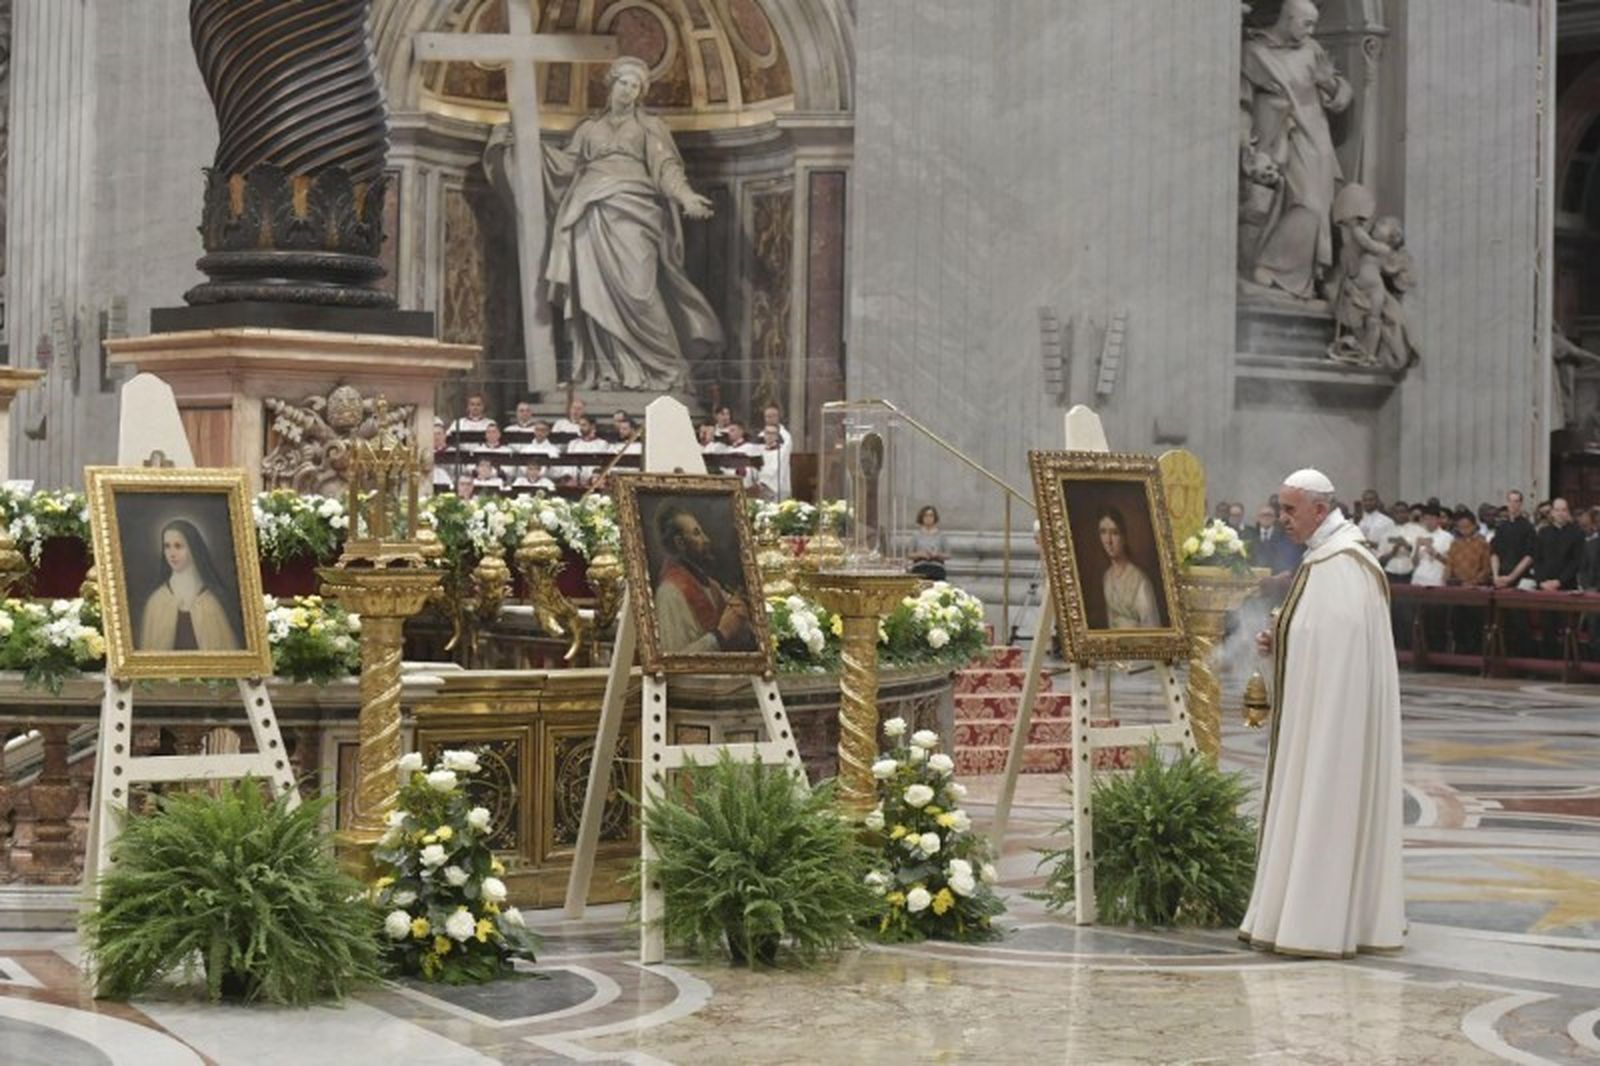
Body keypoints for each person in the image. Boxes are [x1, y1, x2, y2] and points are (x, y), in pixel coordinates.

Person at [1243, 468, 1404, 958]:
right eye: (1282, 508)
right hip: (1318, 712)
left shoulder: (1344, 563)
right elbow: (1314, 633)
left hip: (1337, 723)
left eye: (1291, 509)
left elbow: (1341, 648)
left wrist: (1288, 638)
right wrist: (1278, 640)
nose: (1284, 518)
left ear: (1320, 508)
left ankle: (1317, 922)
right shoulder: (1323, 558)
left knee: (1325, 802)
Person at [542, 55, 724, 391]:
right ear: (611, 85)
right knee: (594, 295)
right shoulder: (588, 129)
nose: (628, 90)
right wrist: (523, 145)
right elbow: (563, 166)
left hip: (634, 212)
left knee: (639, 293)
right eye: (624, 83)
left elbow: (667, 168)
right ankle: (606, 371)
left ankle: (665, 368)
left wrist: (686, 198)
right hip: (588, 213)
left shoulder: (649, 128)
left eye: (635, 86)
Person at [1238, 0, 1353, 299]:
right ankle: (1272, 267)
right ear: (1287, 19)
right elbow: (1242, 101)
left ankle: (1301, 278)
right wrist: (1247, 143)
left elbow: (1342, 95)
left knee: (1318, 206)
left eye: (1314, 24)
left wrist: (1328, 83)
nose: (1312, 31)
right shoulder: (1254, 52)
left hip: (1316, 138)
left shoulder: (1311, 49)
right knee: (1307, 204)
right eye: (1306, 24)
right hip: (1276, 138)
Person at [653, 504, 757, 654]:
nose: (706, 539)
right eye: (697, 534)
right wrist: (721, 634)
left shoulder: (710, 584)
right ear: (680, 543)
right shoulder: (670, 592)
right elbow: (673, 661)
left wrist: (741, 617)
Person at [138, 520, 243, 651]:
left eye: (178, 546)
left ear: (193, 548)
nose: (172, 554)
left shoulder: (213, 601)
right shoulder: (156, 602)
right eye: (167, 546)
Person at [1096, 507, 1160, 629]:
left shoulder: (1139, 580)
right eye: (1103, 532)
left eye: (1114, 533)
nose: (1108, 540)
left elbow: (1152, 627)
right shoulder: (1107, 577)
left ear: (1124, 537)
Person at [909, 505, 948, 582]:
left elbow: (948, 554)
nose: (928, 518)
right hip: (920, 566)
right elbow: (910, 554)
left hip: (937, 567)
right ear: (922, 518)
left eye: (931, 515)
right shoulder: (916, 535)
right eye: (926, 516)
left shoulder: (941, 536)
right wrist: (920, 554)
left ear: (935, 518)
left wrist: (937, 554)